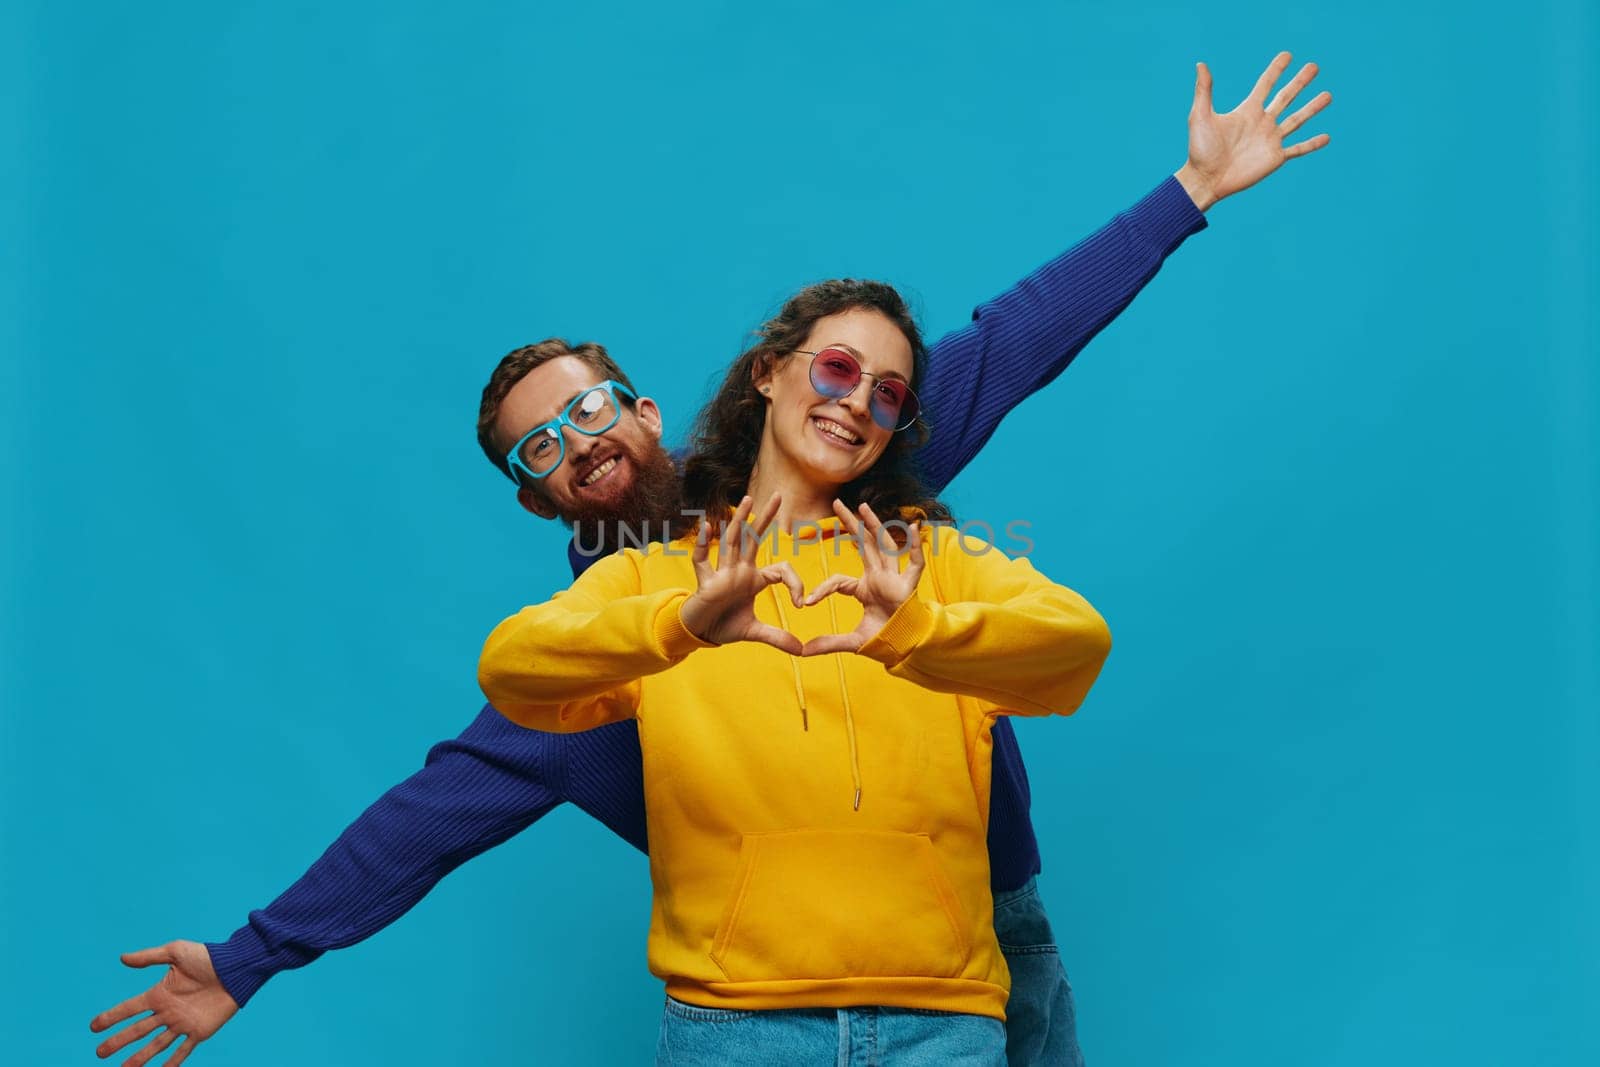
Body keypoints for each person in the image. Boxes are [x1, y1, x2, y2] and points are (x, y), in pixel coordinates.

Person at [90, 53, 1332, 1067]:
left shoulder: (847, 452)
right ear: (535, 499)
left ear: (643, 406)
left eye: (591, 406)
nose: (579, 441)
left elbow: (1009, 340)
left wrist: (1185, 193)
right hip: (761, 997)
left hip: (976, 929)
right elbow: (432, 812)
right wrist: (252, 955)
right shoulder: (608, 637)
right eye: (541, 447)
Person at [478, 278, 1114, 1065]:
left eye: (888, 393)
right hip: (735, 1028)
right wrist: (681, 627)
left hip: (941, 1025)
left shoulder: (926, 560)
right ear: (768, 372)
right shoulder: (662, 577)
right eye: (838, 368)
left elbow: (1079, 643)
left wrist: (918, 632)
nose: (857, 403)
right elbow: (509, 668)